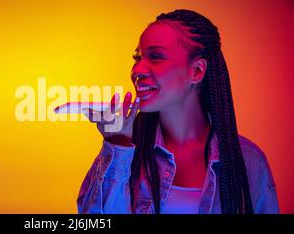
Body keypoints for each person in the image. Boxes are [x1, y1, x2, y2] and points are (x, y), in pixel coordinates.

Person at [77, 9, 279, 214]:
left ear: (197, 70)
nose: (136, 70)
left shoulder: (249, 161)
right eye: (137, 58)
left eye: (155, 57)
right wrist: (117, 144)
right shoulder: (125, 151)